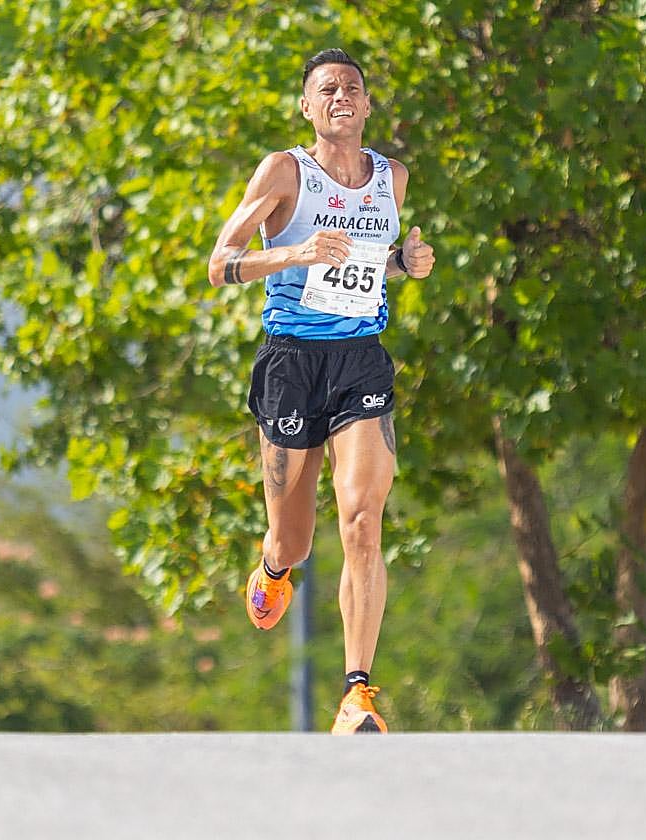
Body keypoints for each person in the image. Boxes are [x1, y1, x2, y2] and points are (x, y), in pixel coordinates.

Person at [207, 49, 435, 734]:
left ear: (367, 105)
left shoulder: (391, 178)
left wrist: (404, 263)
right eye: (327, 89)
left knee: (363, 519)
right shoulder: (284, 172)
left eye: (352, 88)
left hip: (361, 361)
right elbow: (221, 264)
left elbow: (369, 264)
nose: (342, 96)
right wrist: (295, 253)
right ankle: (273, 567)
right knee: (295, 539)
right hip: (291, 363)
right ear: (307, 106)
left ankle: (357, 693)